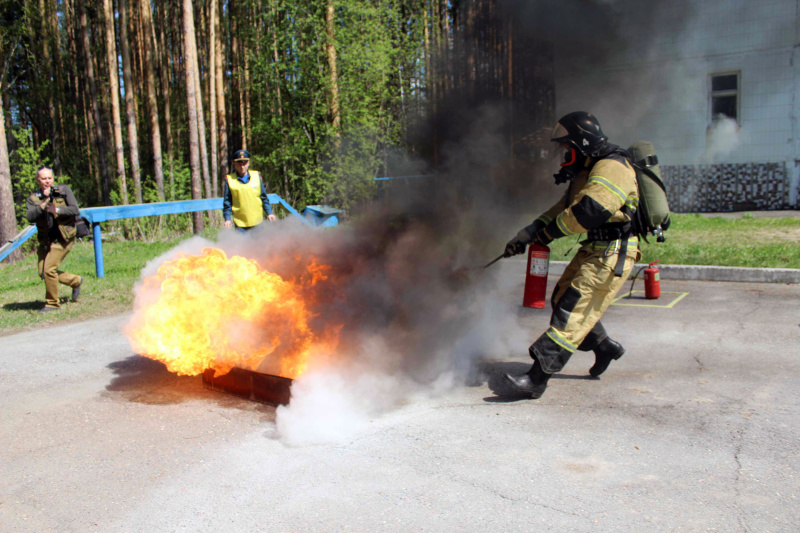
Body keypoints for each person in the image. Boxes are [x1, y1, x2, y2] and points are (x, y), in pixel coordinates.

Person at [502, 111, 641, 399]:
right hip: (596, 248)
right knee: (561, 296)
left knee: (571, 311)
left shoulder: (612, 166)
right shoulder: (589, 168)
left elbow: (589, 211)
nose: (565, 154)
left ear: (582, 143)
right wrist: (528, 233)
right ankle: (605, 347)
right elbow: (564, 207)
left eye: (568, 147)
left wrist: (549, 234)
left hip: (613, 252)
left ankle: (537, 379)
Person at [26, 166, 83, 313]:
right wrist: (44, 204)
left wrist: (57, 210)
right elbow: (30, 217)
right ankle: (75, 281)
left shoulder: (63, 191)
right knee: (43, 272)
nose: (47, 181)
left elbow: (75, 209)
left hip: (63, 238)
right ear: (38, 180)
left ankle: (52, 304)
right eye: (43, 179)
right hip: (46, 241)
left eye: (49, 178)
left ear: (53, 178)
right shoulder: (33, 199)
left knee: (49, 269)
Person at [222, 149, 276, 231]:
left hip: (257, 221)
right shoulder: (229, 180)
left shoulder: (257, 176)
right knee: (243, 244)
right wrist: (227, 218)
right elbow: (227, 202)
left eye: (245, 163)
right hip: (240, 223)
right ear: (234, 164)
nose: (242, 166)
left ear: (249, 163)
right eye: (239, 163)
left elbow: (263, 197)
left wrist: (269, 213)